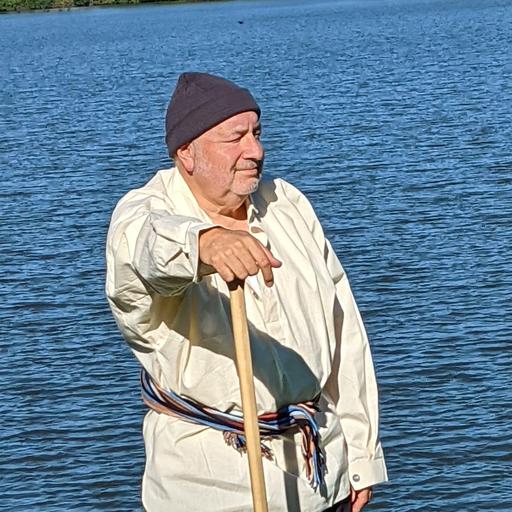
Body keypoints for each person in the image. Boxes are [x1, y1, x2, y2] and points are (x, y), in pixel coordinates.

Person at [106, 72, 387, 512]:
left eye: (257, 134)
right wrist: (203, 242)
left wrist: (362, 456)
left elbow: (344, 333)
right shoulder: (147, 211)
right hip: (214, 490)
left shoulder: (286, 203)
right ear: (187, 153)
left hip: (323, 478)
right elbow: (141, 249)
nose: (255, 151)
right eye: (235, 138)